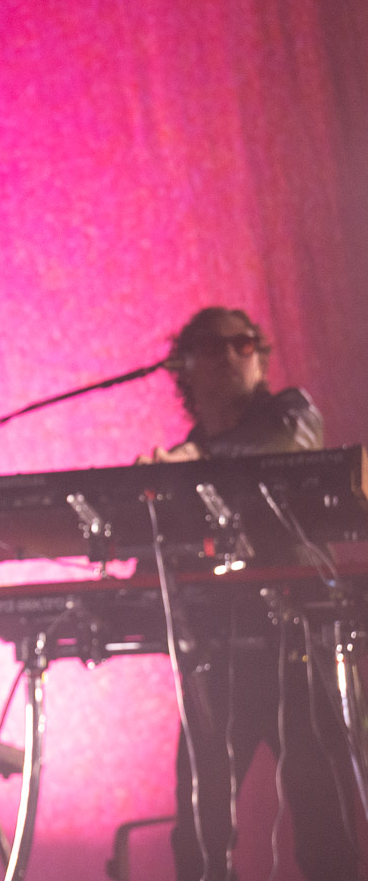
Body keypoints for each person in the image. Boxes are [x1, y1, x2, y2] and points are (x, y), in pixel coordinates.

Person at [143, 306, 357, 880]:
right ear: (185, 366)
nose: (236, 354)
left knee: (323, 819)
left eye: (246, 343)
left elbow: (285, 444)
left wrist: (197, 464)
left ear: (260, 355)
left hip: (300, 649)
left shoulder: (289, 414)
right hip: (219, 657)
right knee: (199, 831)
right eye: (216, 346)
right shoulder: (183, 461)